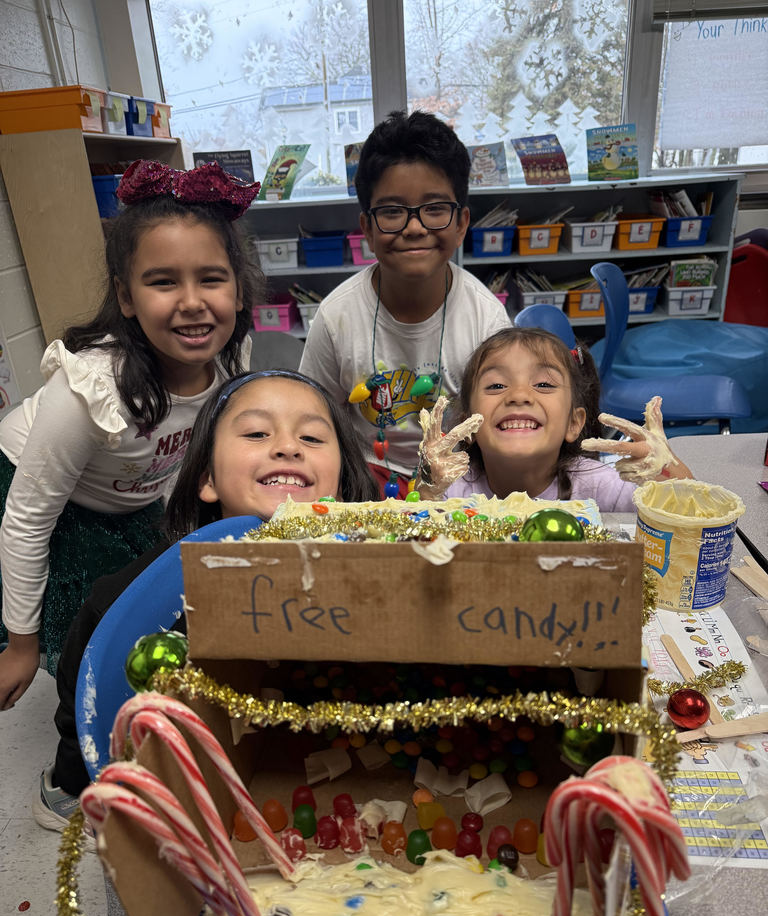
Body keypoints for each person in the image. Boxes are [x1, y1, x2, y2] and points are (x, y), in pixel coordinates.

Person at [35, 369, 379, 831]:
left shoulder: (371, 578)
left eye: (313, 438)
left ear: (339, 485)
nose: (288, 446)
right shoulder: (140, 602)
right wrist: (80, 775)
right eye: (257, 432)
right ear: (207, 480)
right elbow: (90, 685)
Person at [0, 159, 263, 712]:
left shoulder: (230, 357)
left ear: (239, 291)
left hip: (124, 494)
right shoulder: (93, 389)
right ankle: (78, 758)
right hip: (33, 490)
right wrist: (20, 646)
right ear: (126, 298)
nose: (192, 301)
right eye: (163, 281)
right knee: (91, 632)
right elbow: (27, 518)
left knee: (159, 602)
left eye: (211, 278)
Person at [299, 109, 510, 498]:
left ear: (462, 223)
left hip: (459, 483)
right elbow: (312, 424)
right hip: (364, 482)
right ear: (367, 229)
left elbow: (501, 425)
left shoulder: (486, 318)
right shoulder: (336, 316)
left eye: (434, 209)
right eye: (393, 212)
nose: (414, 228)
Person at [440, 326, 692, 509]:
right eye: (496, 386)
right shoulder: (449, 491)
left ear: (573, 423)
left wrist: (669, 470)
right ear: (467, 427)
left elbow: (687, 515)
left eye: (543, 384)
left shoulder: (601, 486)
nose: (518, 395)